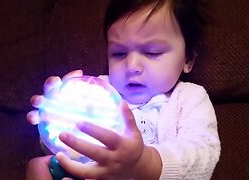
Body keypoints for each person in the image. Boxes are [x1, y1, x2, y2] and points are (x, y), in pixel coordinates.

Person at [26, 0, 220, 179]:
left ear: (188, 59)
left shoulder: (189, 98)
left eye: (153, 52)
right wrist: (51, 115)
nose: (132, 65)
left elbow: (202, 157)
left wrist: (143, 163)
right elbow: (66, 146)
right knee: (38, 166)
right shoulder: (96, 91)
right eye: (119, 53)